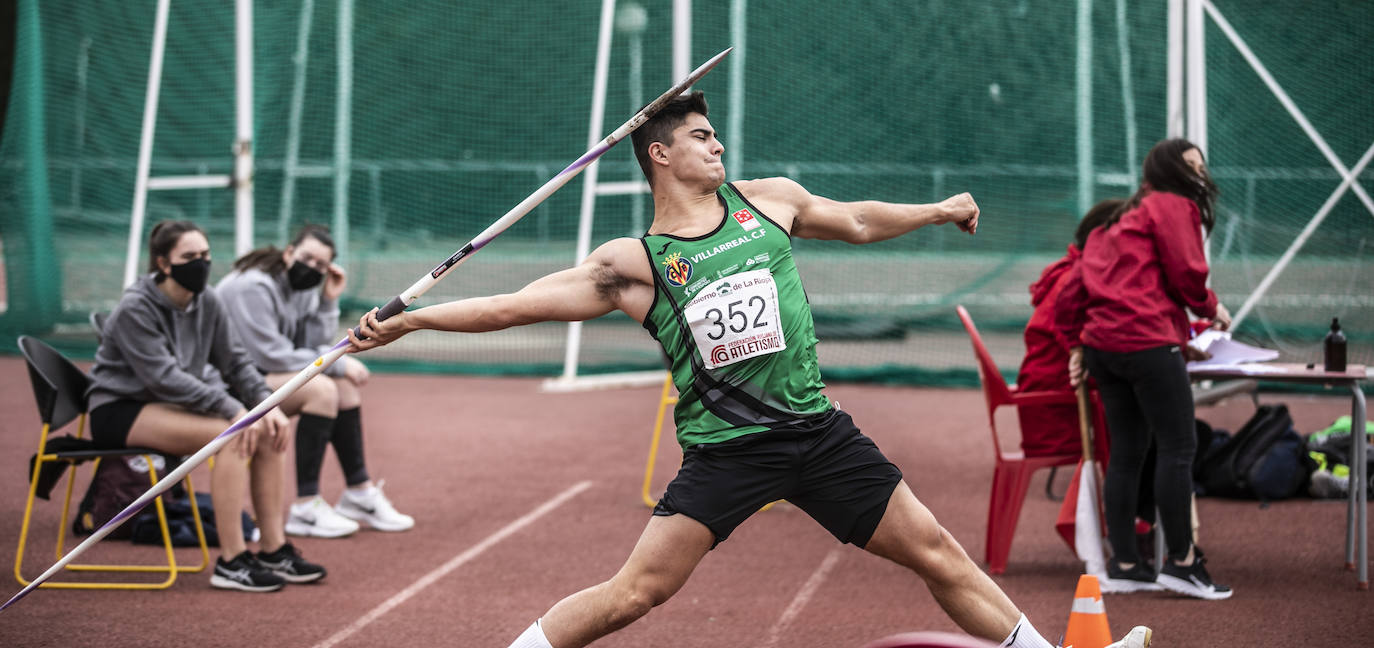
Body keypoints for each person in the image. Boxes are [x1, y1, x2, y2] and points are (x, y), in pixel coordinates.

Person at [347, 93, 1151, 648]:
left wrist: (936, 210)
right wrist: (409, 318)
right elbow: (515, 305)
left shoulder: (768, 202)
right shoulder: (639, 262)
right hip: (729, 452)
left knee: (937, 551)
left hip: (817, 433)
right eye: (701, 137)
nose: (718, 143)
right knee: (638, 593)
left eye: (716, 134)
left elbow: (860, 220)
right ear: (659, 153)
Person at [86, 220, 327, 592]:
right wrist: (234, 410)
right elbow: (164, 378)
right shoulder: (136, 307)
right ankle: (231, 561)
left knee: (267, 428)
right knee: (231, 434)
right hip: (122, 408)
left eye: (205, 255)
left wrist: (267, 404)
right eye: (189, 257)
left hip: (172, 404)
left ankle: (273, 549)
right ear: (164, 263)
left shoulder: (208, 300)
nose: (200, 263)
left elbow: (236, 362)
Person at [1056, 138, 1233, 600]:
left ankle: (1127, 564)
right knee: (1178, 447)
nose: (1201, 173)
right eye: (1193, 165)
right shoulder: (1173, 206)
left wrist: (1078, 343)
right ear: (1172, 171)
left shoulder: (1113, 224)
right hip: (1147, 344)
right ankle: (1182, 562)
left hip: (1105, 349)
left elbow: (1070, 297)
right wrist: (1211, 307)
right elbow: (1187, 275)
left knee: (1129, 452)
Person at [216, 225, 414, 538]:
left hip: (258, 376)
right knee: (322, 390)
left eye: (321, 266)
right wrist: (338, 363)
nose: (312, 269)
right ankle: (305, 507)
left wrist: (327, 301)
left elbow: (313, 345)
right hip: (227, 385)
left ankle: (359, 494)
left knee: (343, 389)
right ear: (289, 252)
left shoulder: (304, 289)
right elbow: (271, 355)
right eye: (307, 258)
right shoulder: (252, 286)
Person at [1015, 199, 1121, 459]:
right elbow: (1094, 352)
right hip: (1056, 411)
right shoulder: (1074, 284)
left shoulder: (1075, 272)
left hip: (1054, 399)